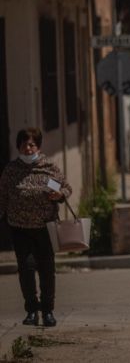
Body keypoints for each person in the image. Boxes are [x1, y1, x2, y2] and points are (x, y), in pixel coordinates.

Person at [0, 128, 72, 327]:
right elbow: (3, 197)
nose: (28, 148)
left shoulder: (48, 168)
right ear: (18, 147)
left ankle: (48, 310)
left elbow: (66, 188)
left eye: (31, 144)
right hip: (19, 228)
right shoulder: (11, 170)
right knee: (26, 269)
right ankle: (31, 310)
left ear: (38, 146)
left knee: (47, 270)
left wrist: (60, 195)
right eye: (24, 144)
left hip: (45, 228)